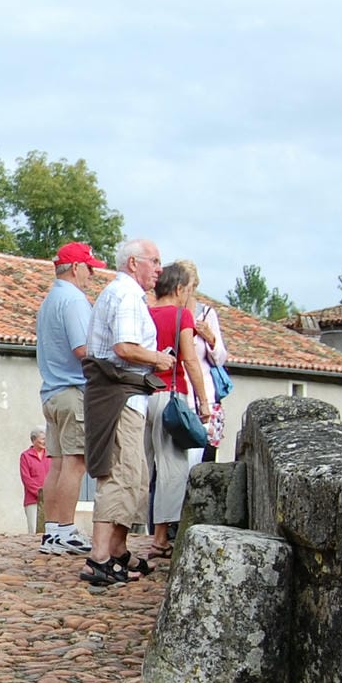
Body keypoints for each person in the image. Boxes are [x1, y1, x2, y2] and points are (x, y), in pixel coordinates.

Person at [80, 238, 172, 587]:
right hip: (120, 398)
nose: (159, 269)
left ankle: (116, 550)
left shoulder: (120, 293)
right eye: (155, 260)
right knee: (120, 475)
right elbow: (125, 347)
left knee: (132, 476)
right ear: (134, 263)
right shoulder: (128, 295)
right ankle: (99, 557)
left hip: (123, 396)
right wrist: (160, 358)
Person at [34, 241, 104, 555]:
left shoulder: (50, 300)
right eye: (90, 268)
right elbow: (81, 349)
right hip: (73, 390)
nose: (92, 275)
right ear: (76, 268)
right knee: (76, 464)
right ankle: (65, 530)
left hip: (51, 391)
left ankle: (52, 531)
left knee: (58, 465)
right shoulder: (74, 300)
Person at [144, 260, 214, 558]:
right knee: (173, 467)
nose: (191, 294)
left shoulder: (146, 312)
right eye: (190, 288)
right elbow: (190, 361)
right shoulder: (180, 315)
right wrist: (203, 401)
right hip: (170, 395)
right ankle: (161, 537)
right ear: (179, 288)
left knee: (146, 467)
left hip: (141, 395)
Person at [195, 298, 231, 462]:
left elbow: (220, 358)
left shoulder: (206, 314)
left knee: (204, 459)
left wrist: (211, 339)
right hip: (180, 395)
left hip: (207, 398)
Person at [19, 427, 50, 533]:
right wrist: (40, 493)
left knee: (49, 530)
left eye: (46, 439)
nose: (45, 441)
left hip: (50, 499)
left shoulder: (50, 455)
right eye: (42, 439)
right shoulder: (26, 456)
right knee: (33, 529)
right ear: (34, 440)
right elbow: (26, 478)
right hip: (32, 500)